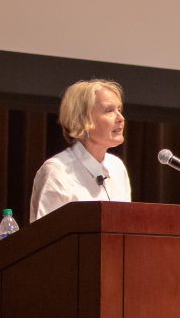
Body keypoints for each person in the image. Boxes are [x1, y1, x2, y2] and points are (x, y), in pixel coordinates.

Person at [29, 79, 132, 222]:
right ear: (83, 120)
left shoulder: (117, 167)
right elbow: (46, 238)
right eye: (109, 110)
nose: (121, 118)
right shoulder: (57, 171)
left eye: (119, 110)